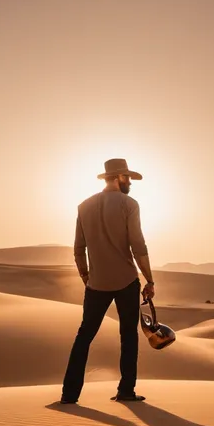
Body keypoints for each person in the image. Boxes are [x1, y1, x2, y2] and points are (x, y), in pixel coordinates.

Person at [60, 158, 155, 404]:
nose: (130, 183)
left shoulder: (84, 206)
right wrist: (150, 280)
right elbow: (138, 245)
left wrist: (86, 277)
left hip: (96, 284)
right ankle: (126, 391)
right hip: (126, 280)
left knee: (84, 336)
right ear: (118, 178)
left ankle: (69, 395)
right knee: (128, 336)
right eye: (128, 178)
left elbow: (78, 249)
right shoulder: (129, 204)